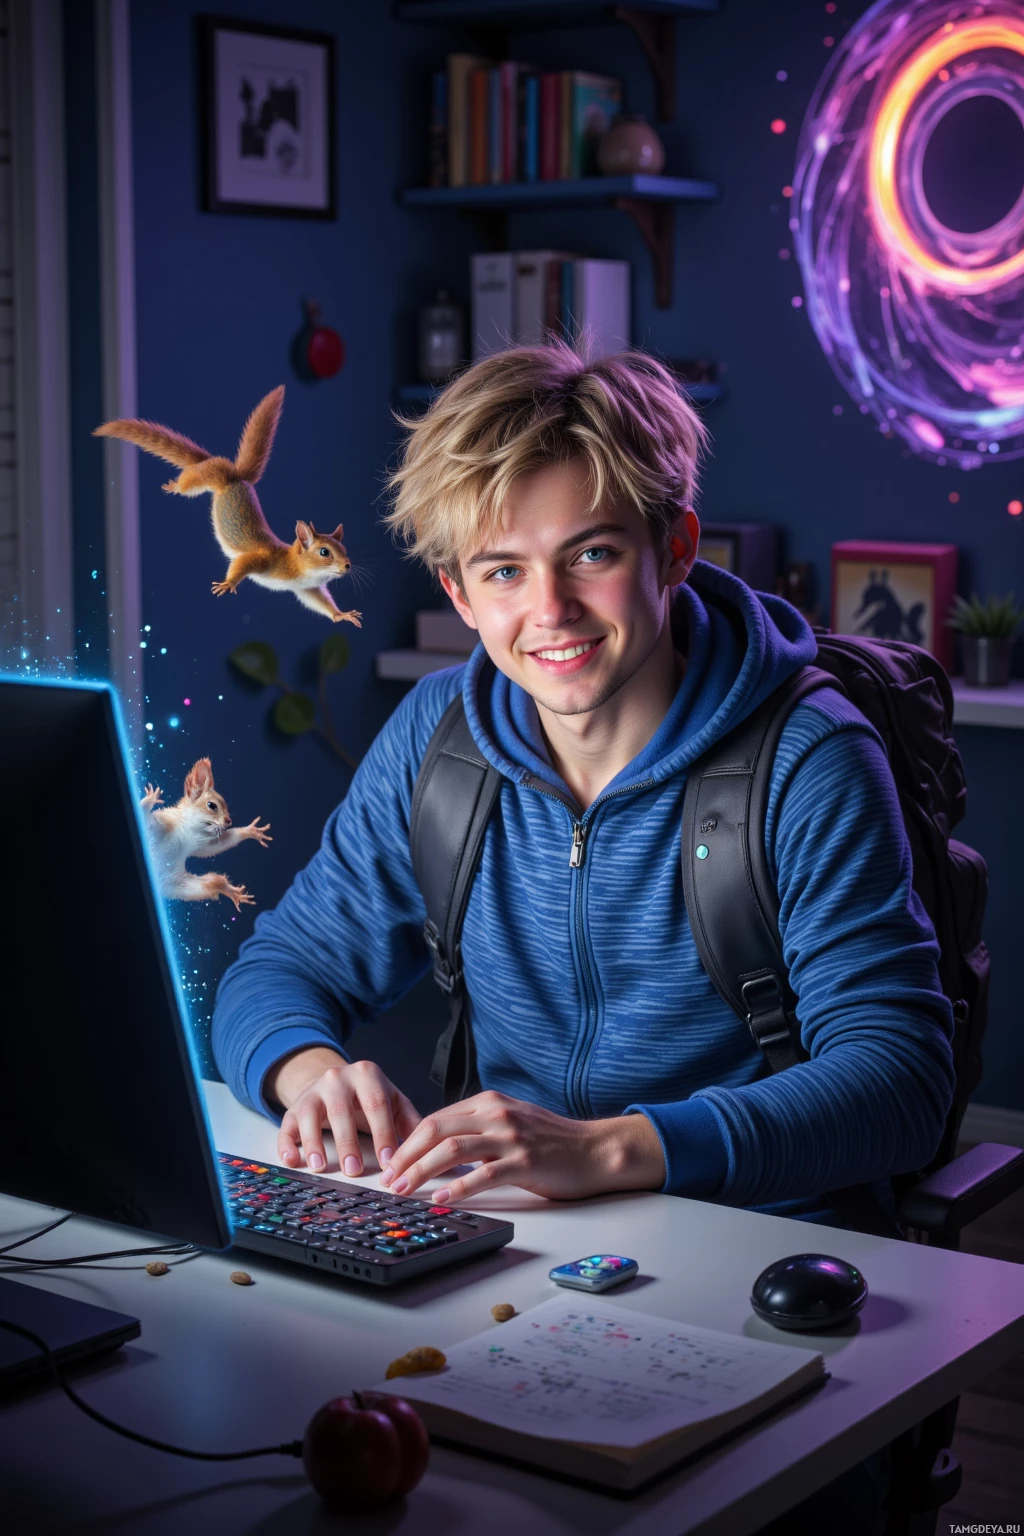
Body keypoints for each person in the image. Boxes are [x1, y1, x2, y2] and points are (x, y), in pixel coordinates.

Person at [212, 341, 954, 1528]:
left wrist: (610, 1149)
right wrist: (308, 1069)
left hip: (755, 1268)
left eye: (591, 555)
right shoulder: (438, 740)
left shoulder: (806, 759)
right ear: (458, 594)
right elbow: (280, 968)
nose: (546, 613)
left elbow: (902, 1081)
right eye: (500, 571)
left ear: (674, 550)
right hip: (506, 1266)